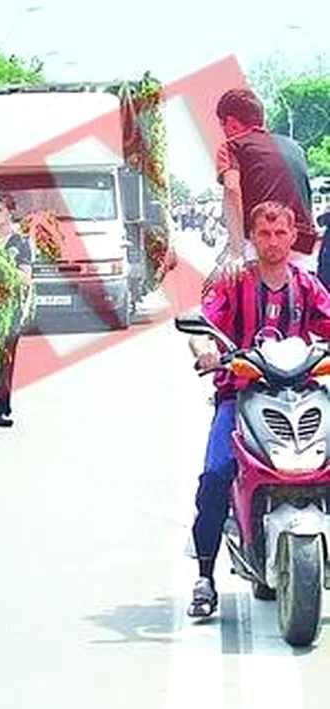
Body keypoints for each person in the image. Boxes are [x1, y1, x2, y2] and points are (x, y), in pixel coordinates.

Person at [184, 201, 330, 617]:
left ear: (292, 237)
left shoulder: (306, 285)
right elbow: (204, 329)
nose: (273, 242)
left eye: (281, 233)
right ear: (252, 238)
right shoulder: (235, 282)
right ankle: (205, 575)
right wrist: (206, 350)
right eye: (264, 234)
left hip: (303, 396)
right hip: (242, 396)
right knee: (215, 474)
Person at [212, 88, 319, 281]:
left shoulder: (232, 147)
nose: (224, 132)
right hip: (304, 246)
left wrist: (236, 251)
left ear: (231, 122)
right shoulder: (295, 148)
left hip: (263, 242)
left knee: (221, 298)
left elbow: (231, 187)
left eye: (222, 125)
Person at [0, 192, 33, 427]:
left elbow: (25, 276)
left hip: (9, 308)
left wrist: (3, 272)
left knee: (5, 359)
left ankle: (1, 408)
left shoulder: (19, 242)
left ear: (9, 213)